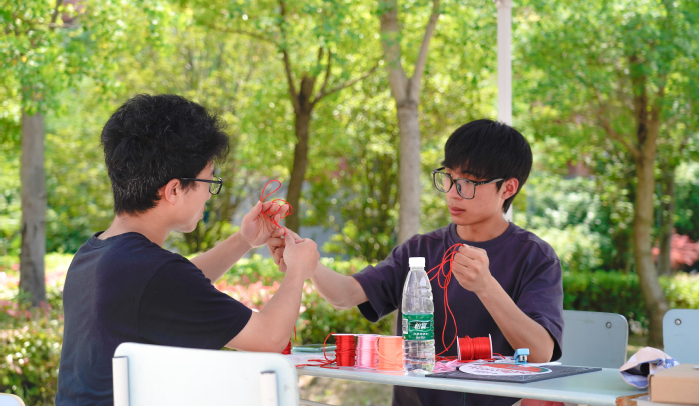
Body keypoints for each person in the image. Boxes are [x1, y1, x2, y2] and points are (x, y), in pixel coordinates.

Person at [269, 119, 564, 406]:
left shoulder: (536, 257)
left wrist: (486, 286)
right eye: (449, 177)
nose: (452, 192)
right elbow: (345, 295)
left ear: (508, 188)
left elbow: (540, 352)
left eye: (468, 182)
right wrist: (307, 262)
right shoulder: (420, 249)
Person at [56, 94, 319, 406]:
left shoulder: (94, 254)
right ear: (174, 189)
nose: (209, 194)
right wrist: (298, 269)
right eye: (209, 181)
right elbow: (270, 337)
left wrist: (244, 240)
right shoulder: (156, 273)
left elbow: (175, 285)